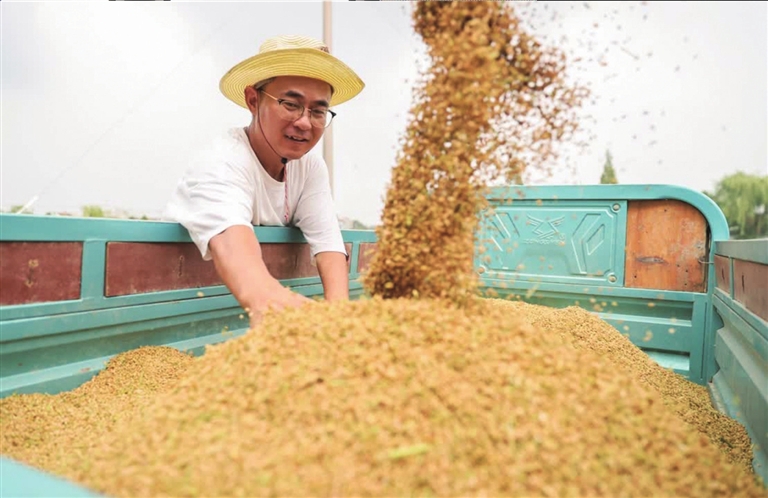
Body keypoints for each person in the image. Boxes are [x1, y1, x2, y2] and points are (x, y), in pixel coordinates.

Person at [163, 35, 365, 328]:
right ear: (253, 100)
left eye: (318, 111)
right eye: (290, 104)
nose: (305, 122)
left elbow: (328, 242)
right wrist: (266, 299)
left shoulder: (309, 167)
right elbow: (229, 237)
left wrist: (340, 319)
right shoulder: (222, 160)